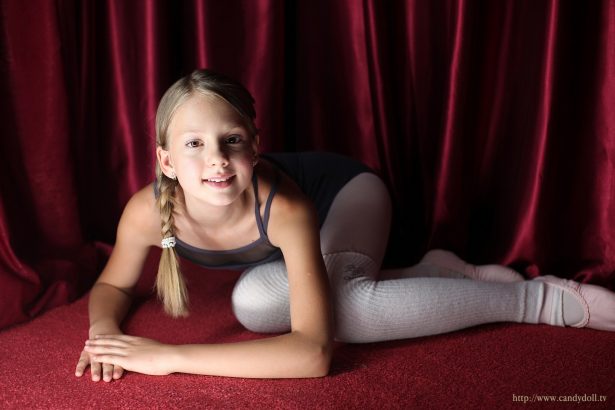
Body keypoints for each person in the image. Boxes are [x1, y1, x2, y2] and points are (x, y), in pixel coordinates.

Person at [75, 69, 615, 382]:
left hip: (347, 195)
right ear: (166, 160)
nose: (216, 158)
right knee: (254, 303)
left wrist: (169, 357)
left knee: (343, 308)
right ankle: (435, 271)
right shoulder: (147, 211)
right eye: (194, 143)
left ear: (255, 147)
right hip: (302, 237)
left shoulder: (285, 208)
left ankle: (539, 301)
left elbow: (313, 354)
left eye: (231, 140)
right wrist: (104, 335)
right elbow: (112, 285)